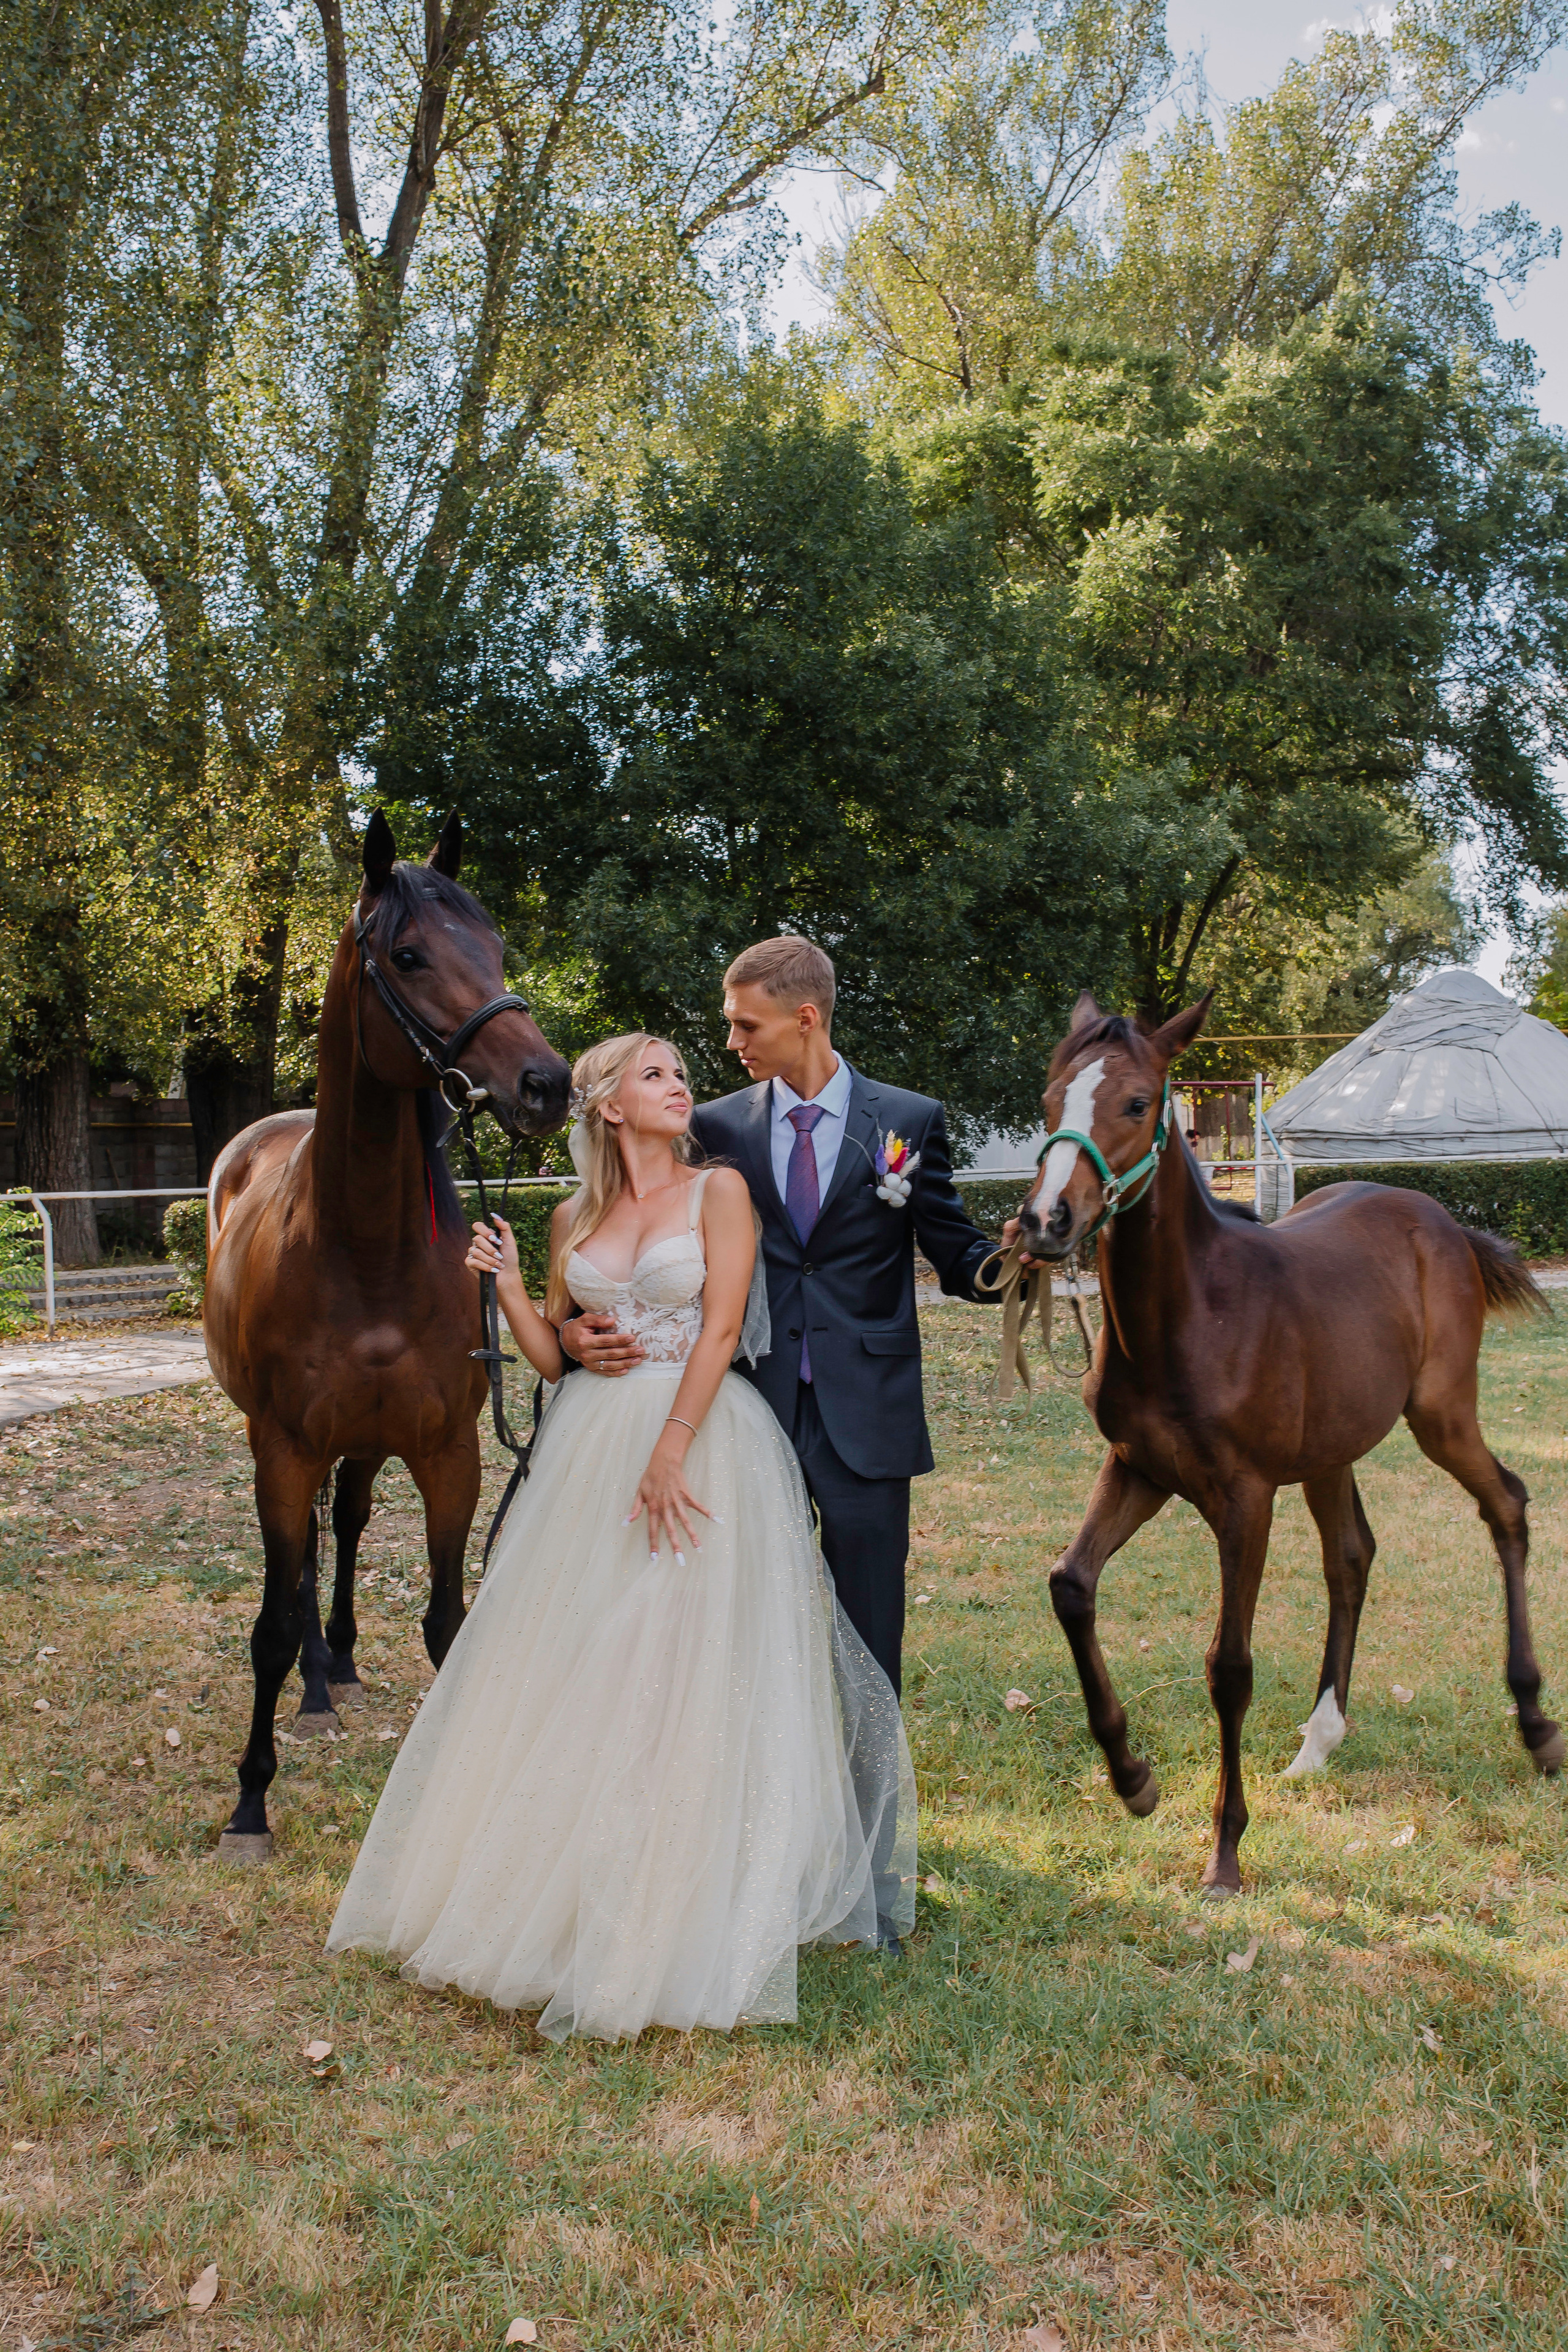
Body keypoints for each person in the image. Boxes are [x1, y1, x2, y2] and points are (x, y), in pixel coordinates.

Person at [326, 1031, 914, 2043]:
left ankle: (675, 1893)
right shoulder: (573, 1218)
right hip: (591, 1456)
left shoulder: (716, 1192)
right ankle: (574, 1876)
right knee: (581, 1657)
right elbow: (557, 1360)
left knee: (671, 1653)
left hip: (701, 1445)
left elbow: (723, 1328)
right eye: (656, 1075)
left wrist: (672, 1449)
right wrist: (514, 1288)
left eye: (683, 1073)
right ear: (607, 1106)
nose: (681, 1087)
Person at [562, 938, 1000, 1700]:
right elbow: (637, 1227)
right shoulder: (715, 1125)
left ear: (804, 1018)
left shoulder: (905, 1119)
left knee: (869, 1629)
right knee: (736, 1622)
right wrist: (571, 1329)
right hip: (745, 1409)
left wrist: (1016, 1262)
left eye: (745, 1026)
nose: (730, 1043)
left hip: (867, 1411)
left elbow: (956, 1252)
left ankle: (867, 1811)